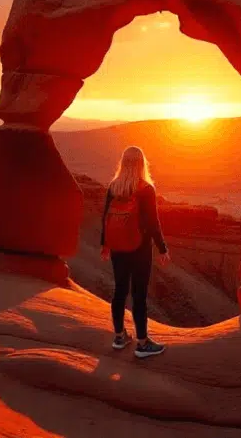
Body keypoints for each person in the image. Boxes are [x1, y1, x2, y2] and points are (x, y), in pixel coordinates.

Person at [100, 145, 171, 358]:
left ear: (123, 163)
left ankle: (120, 337)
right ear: (142, 163)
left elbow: (105, 217)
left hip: (117, 247)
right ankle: (142, 344)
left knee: (120, 290)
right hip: (139, 248)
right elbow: (152, 222)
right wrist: (162, 248)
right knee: (139, 294)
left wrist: (105, 245)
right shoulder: (146, 189)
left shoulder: (114, 186)